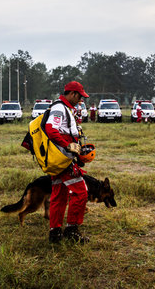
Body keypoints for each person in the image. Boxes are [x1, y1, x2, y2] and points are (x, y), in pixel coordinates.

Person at [44, 81, 90, 244]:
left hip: (59, 159)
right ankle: (71, 231)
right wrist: (67, 145)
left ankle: (55, 233)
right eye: (79, 97)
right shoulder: (59, 108)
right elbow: (51, 129)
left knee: (59, 194)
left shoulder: (65, 108)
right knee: (81, 192)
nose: (80, 101)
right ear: (72, 94)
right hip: (63, 159)